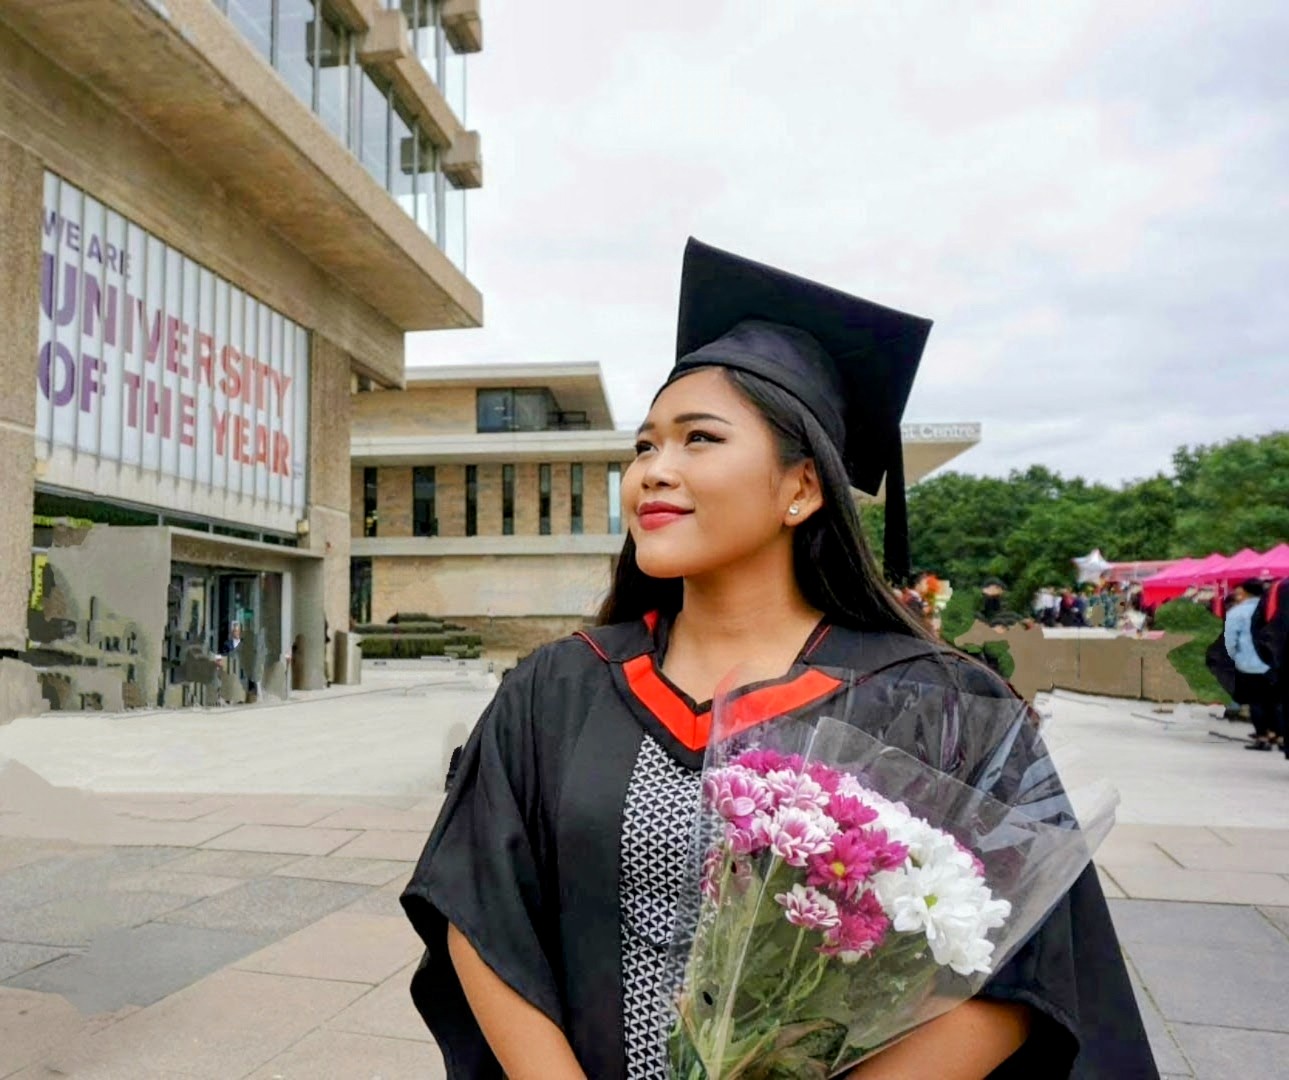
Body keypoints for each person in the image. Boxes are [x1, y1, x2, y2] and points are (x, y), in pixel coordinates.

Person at [401, 239, 1156, 1080]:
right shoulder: (561, 684)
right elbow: (479, 903)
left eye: (698, 439)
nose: (655, 470)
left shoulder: (936, 701)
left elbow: (1022, 971)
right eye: (644, 446)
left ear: (800, 489)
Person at [1225, 579, 1277, 750]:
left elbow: (1231, 640)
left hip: (1248, 663)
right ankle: (1274, 733)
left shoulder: (1237, 612)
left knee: (1256, 701)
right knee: (1272, 700)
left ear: (1245, 592)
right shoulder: (1273, 608)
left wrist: (1234, 657)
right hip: (1274, 663)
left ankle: (1261, 737)